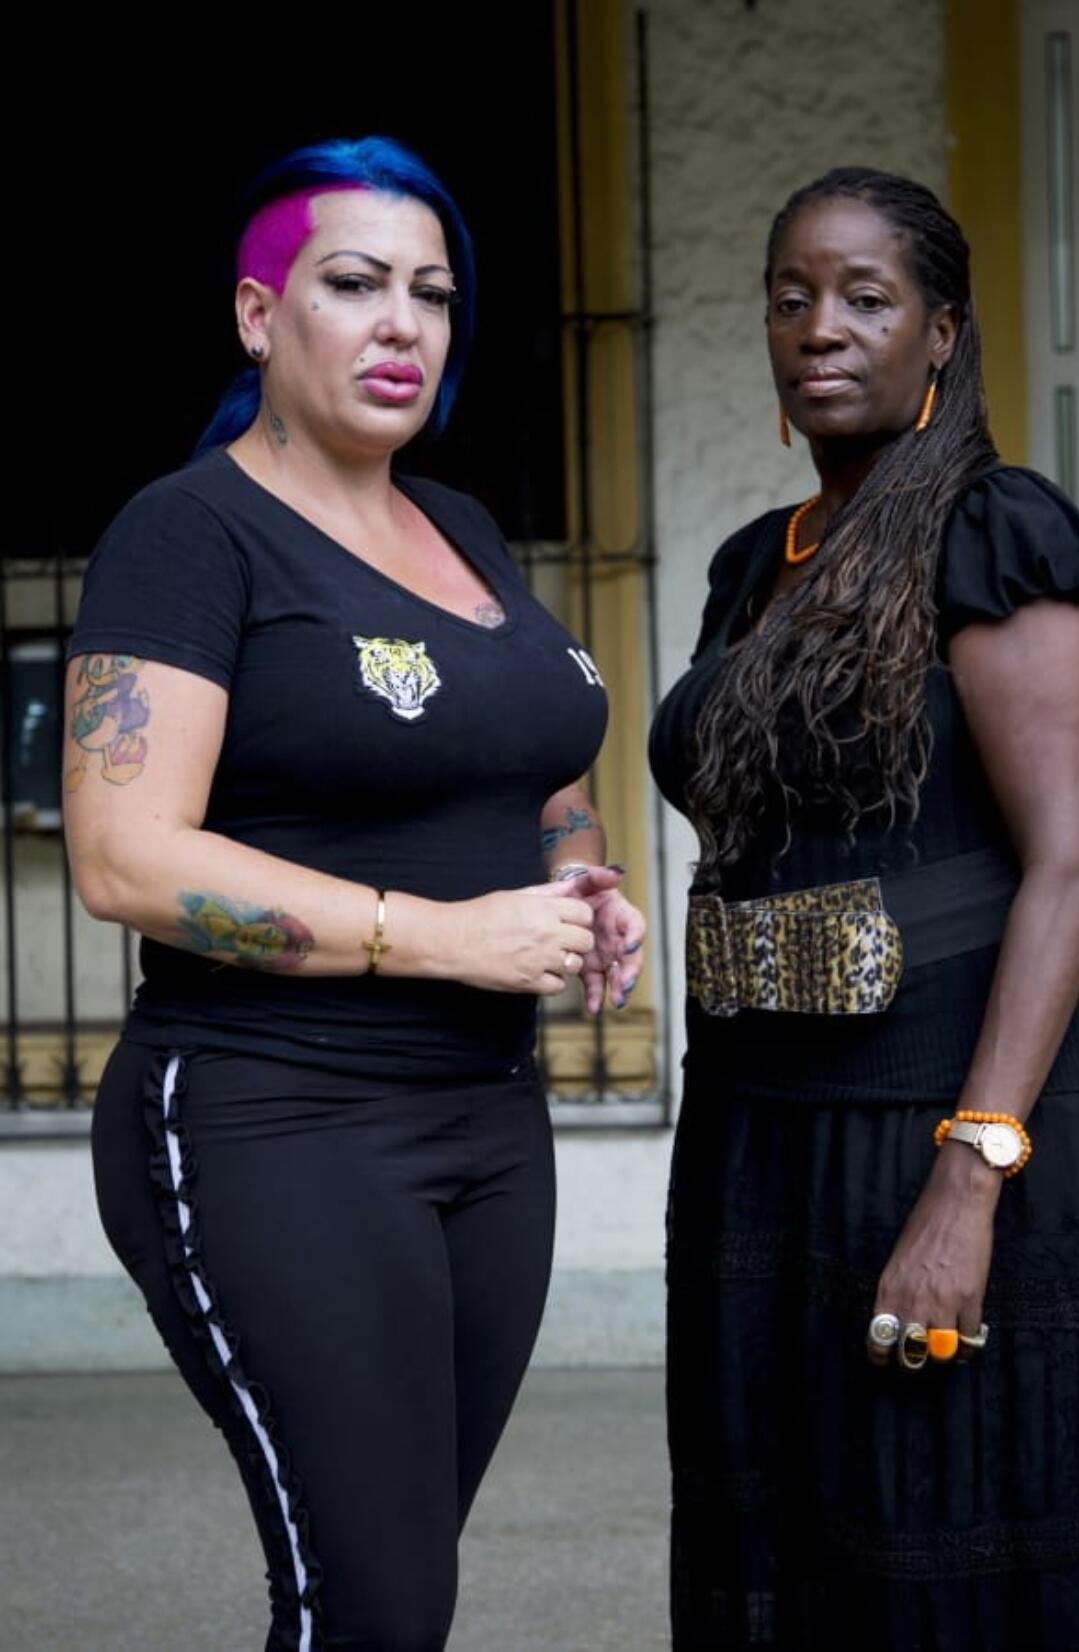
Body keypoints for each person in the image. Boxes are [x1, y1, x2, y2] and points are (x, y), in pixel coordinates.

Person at [65, 135, 645, 1652]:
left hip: (487, 1131)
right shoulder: (187, 534)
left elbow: (530, 768)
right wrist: (446, 936)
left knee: (390, 1593)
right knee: (372, 1604)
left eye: (433, 293)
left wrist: (578, 881)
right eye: (354, 283)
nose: (403, 324)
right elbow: (124, 857)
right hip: (275, 1120)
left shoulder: (456, 529)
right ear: (261, 316)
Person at [649, 167, 1079, 1652]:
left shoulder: (992, 531)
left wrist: (969, 1180)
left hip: (979, 1110)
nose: (816, 326)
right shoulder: (745, 570)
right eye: (788, 295)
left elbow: (1073, 862)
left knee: (962, 1512)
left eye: (863, 297)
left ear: (940, 334)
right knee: (799, 1507)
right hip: (769, 1118)